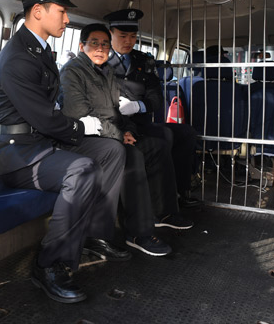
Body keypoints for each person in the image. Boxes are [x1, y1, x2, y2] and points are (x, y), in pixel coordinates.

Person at [0, 0, 130, 304]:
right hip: (17, 154)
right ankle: (49, 264)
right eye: (62, 11)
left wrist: (85, 128)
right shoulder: (18, 57)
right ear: (38, 11)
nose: (66, 19)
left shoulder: (38, 51)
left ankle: (96, 235)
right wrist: (81, 127)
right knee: (81, 170)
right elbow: (42, 116)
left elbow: (48, 115)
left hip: (42, 142)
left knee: (111, 151)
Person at [60, 23, 193, 257]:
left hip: (110, 133)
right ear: (81, 46)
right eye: (94, 43)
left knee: (154, 145)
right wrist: (119, 134)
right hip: (82, 138)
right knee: (130, 155)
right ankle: (139, 232)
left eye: (104, 44)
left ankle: (163, 212)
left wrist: (129, 130)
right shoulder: (72, 72)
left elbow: (118, 110)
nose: (100, 48)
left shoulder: (106, 72)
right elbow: (79, 113)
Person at [104, 8, 201, 208]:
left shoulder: (144, 61)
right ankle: (158, 202)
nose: (128, 41)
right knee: (164, 136)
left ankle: (180, 191)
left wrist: (138, 106)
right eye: (123, 35)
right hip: (116, 124)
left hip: (142, 122)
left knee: (186, 133)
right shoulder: (100, 61)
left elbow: (156, 98)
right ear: (110, 33)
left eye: (133, 36)